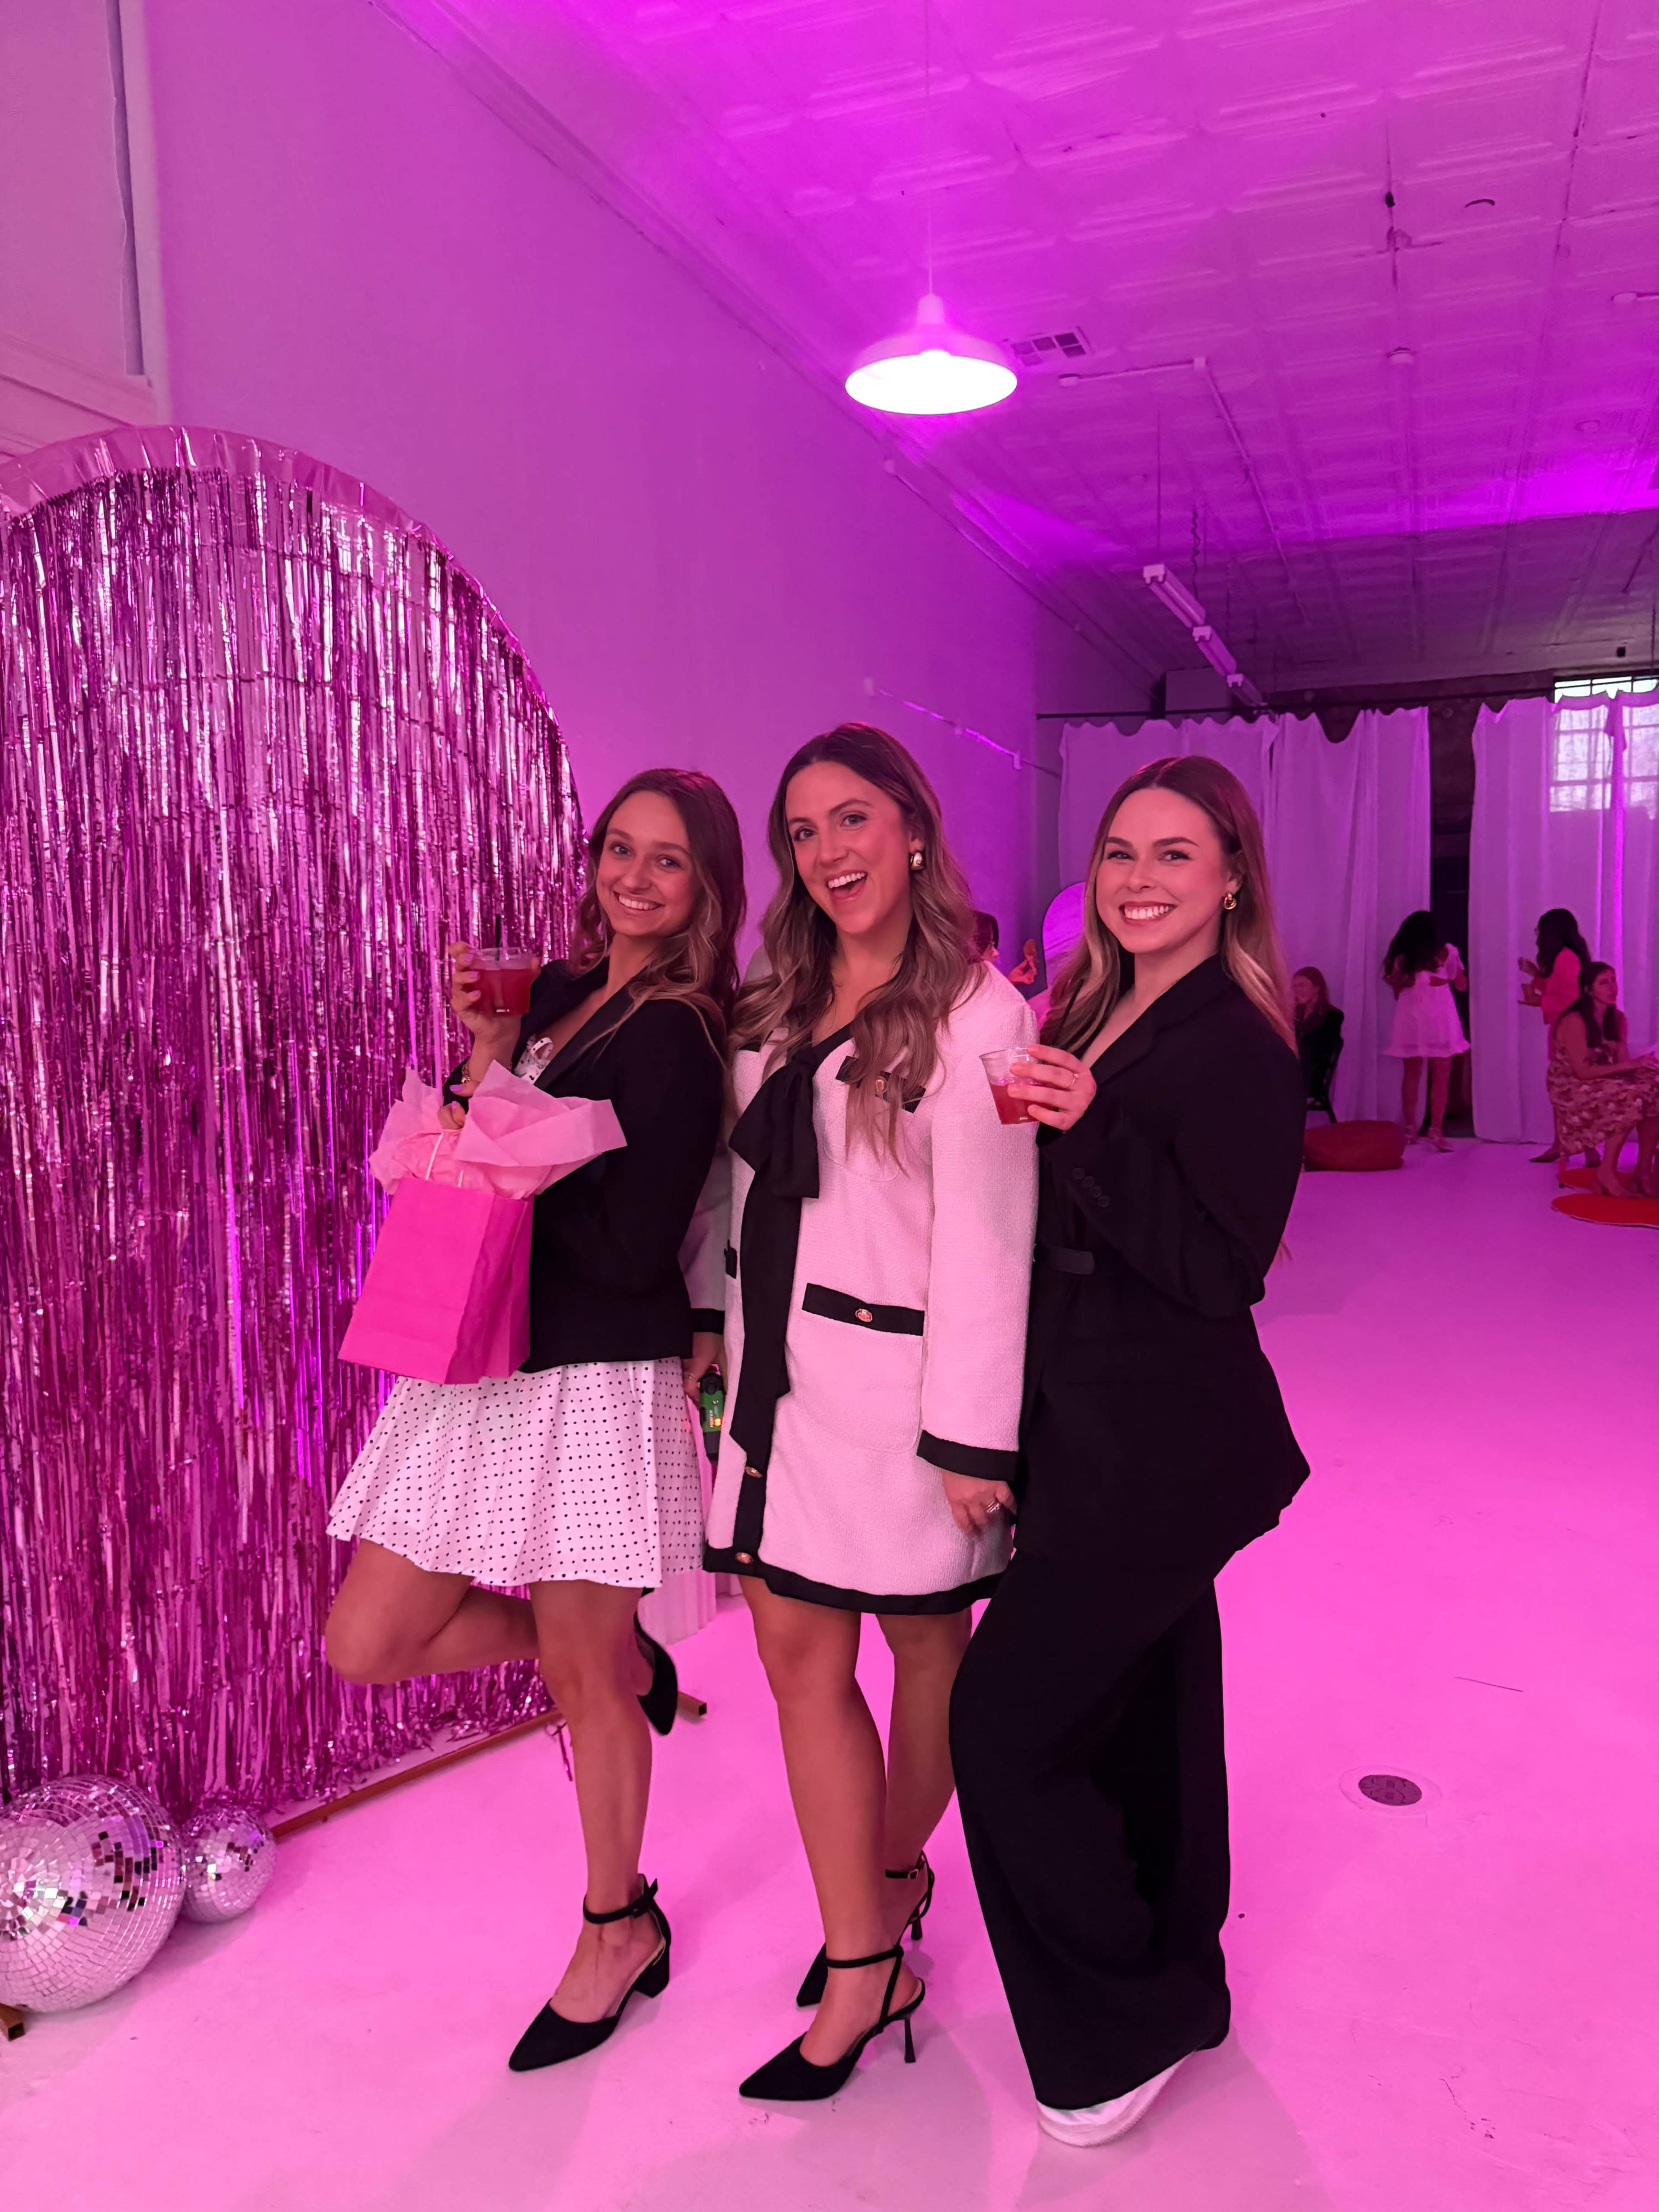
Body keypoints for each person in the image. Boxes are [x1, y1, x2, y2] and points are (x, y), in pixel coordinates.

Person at [324, 767, 744, 2072]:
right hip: (479, 1357)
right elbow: (466, 1149)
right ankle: (622, 1661)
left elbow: (630, 1243)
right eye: (619, 847)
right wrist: (491, 1059)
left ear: (704, 889)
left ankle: (616, 1924)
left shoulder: (679, 1031)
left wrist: (509, 1140)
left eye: (665, 860)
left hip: (588, 1374)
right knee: (369, 1638)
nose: (633, 875)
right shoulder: (556, 994)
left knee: (578, 1675)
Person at [950, 754, 1309, 2151]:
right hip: (1084, 1420)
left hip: (1158, 1437)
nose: (1140, 878)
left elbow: (1218, 1268)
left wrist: (1088, 1131)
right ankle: (1180, 1977)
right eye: (1119, 852)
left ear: (1231, 876)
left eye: (1174, 853)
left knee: (1005, 1722)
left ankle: (1116, 2010)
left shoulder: (1238, 1037)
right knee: (1152, 1716)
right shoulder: (1100, 1003)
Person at [704, 722, 1038, 2101]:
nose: (827, 850)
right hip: (775, 1393)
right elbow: (730, 1193)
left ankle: (890, 1876)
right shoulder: (773, 999)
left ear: (911, 827)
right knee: (797, 1666)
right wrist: (699, 1340)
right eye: (802, 829)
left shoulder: (979, 1014)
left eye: (851, 818)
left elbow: (990, 1235)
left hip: (903, 1405)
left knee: (924, 1648)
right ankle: (863, 1950)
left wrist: (972, 1435)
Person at [1546, 961, 1659, 1197]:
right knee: (1629, 1098)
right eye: (1604, 983)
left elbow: (1622, 1062)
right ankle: (1606, 1172)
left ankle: (1643, 1172)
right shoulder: (1575, 1021)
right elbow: (1582, 1073)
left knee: (1653, 1091)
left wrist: (1645, 1068)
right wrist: (1632, 1067)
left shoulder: (1617, 1019)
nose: (1612, 987)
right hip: (1571, 1086)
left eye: (1614, 980)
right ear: (1588, 990)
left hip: (1602, 1078)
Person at [1383, 910, 1467, 1149]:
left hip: (1411, 1018)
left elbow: (1397, 991)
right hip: (1441, 1017)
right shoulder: (1447, 952)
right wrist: (1447, 978)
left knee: (1412, 1074)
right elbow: (1462, 985)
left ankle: (1411, 1130)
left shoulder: (1402, 959)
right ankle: (1436, 1131)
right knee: (1441, 1075)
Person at [1520, 909, 1592, 1163]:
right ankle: (1576, 1146)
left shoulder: (1566, 958)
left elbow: (1569, 998)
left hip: (1568, 1031)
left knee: (1564, 1089)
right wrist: (1536, 978)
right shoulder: (1569, 957)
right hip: (1568, 1029)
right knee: (1568, 1088)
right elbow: (1559, 989)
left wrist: (1538, 1001)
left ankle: (1567, 1146)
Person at [1292, 965, 1344, 1119]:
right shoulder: (1296, 1014)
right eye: (1295, 987)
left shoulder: (1332, 1016)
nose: (1297, 990)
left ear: (1317, 987)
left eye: (1302, 985)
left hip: (1312, 1075)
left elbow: (1320, 1051)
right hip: (1295, 1069)